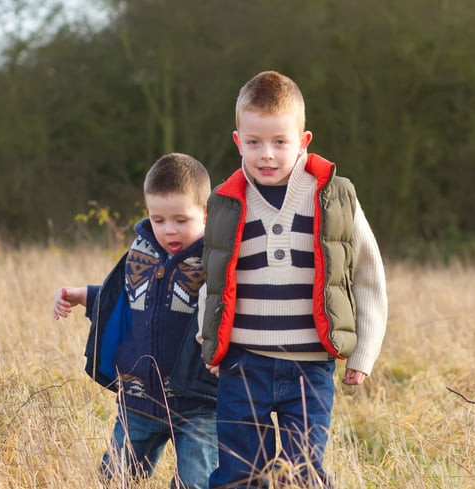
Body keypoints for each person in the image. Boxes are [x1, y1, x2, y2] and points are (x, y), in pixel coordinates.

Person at [198, 70, 388, 488]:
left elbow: (369, 275)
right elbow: (212, 282)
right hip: (243, 362)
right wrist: (210, 344)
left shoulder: (333, 197)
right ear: (238, 141)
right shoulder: (227, 203)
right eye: (254, 143)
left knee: (304, 473)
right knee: (238, 472)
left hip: (309, 365)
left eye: (279, 142)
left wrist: (363, 353)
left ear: (303, 141)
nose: (266, 154)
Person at [52, 153, 217, 489]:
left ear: (206, 213)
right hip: (139, 398)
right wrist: (83, 294)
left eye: (181, 220)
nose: (168, 230)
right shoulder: (140, 254)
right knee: (115, 478)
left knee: (196, 482)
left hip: (199, 403)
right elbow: (126, 302)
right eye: (158, 219)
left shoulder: (215, 261)